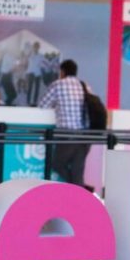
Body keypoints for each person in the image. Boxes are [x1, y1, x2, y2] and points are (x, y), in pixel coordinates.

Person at [39, 59, 89, 187]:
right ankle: (81, 195)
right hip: (85, 134)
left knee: (56, 164)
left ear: (62, 71)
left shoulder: (58, 85)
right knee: (78, 171)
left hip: (66, 132)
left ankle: (77, 188)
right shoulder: (84, 86)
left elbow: (43, 105)